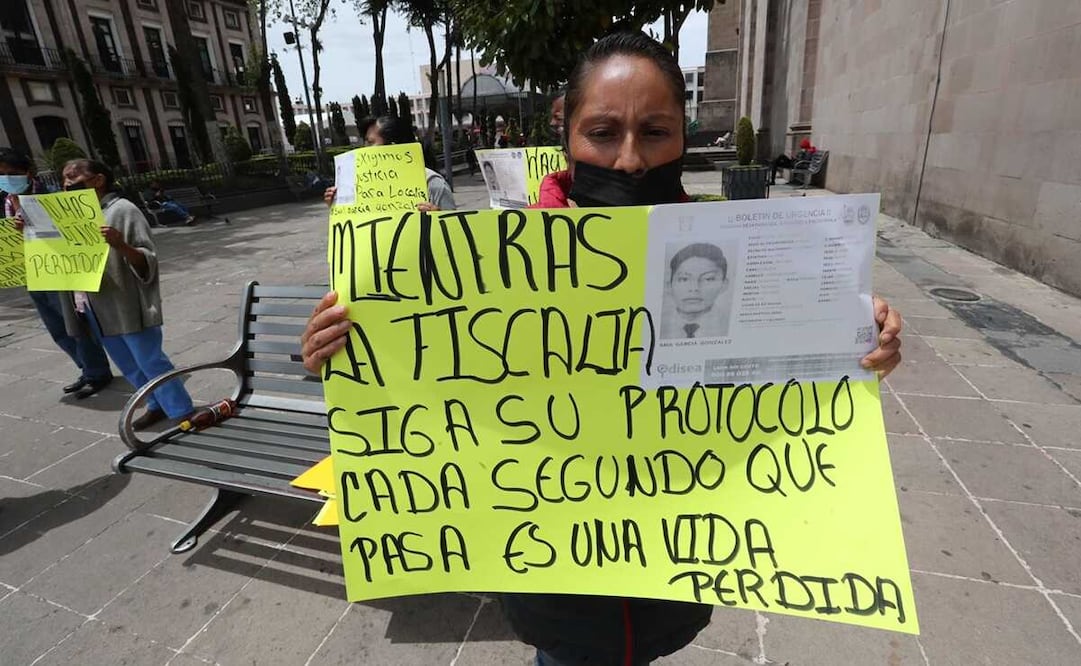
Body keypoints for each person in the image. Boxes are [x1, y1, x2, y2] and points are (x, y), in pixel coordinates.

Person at [301, 32, 903, 665]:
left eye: (656, 131)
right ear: (568, 137)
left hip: (671, 576)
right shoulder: (492, 262)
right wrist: (346, 350)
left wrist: (856, 344)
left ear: (683, 137)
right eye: (604, 132)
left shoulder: (740, 254)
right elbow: (430, 388)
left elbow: (781, 395)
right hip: (553, 580)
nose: (630, 161)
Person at [59, 159, 194, 431]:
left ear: (99, 180)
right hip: (94, 304)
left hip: (126, 304)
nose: (67, 187)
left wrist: (120, 245)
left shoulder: (123, 210)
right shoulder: (71, 216)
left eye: (74, 181)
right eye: (64, 183)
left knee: (149, 360)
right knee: (128, 364)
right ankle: (155, 405)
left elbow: (147, 259)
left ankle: (182, 410)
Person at [0, 147, 113, 399]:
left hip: (57, 271)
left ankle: (98, 372)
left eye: (12, 173)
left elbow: (71, 234)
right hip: (29, 273)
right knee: (56, 329)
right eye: (1, 174)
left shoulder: (51, 196)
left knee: (74, 324)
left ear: (27, 173)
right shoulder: (5, 200)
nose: (6, 178)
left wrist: (31, 229)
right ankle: (85, 369)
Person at [322, 115, 456, 212]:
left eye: (370, 142)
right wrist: (337, 205)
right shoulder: (362, 186)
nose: (364, 149)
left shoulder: (433, 184)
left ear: (393, 148)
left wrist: (438, 217)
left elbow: (455, 233)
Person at [660, 242, 732, 339]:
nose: (694, 288)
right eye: (684, 279)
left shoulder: (730, 326)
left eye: (708, 279)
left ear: (724, 285)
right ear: (669, 286)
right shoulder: (657, 325)